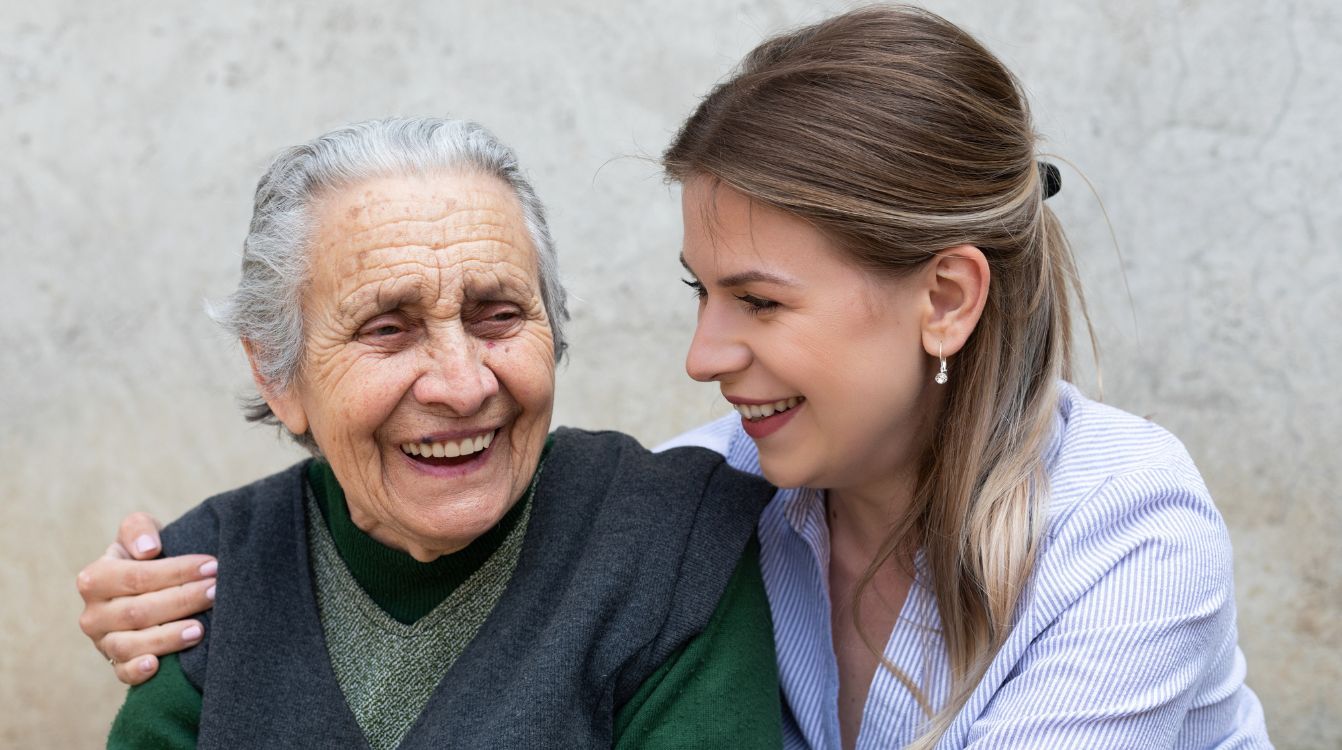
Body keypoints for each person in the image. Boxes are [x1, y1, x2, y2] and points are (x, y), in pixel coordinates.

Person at [80, 6, 1272, 749]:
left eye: (757, 301)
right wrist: (157, 601)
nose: (703, 356)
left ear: (946, 298)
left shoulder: (1125, 533)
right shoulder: (707, 502)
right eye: (698, 293)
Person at [87, 117, 783, 749]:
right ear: (278, 375)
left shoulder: (670, 542)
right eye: (387, 329)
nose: (463, 384)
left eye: (498, 315)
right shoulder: (198, 582)